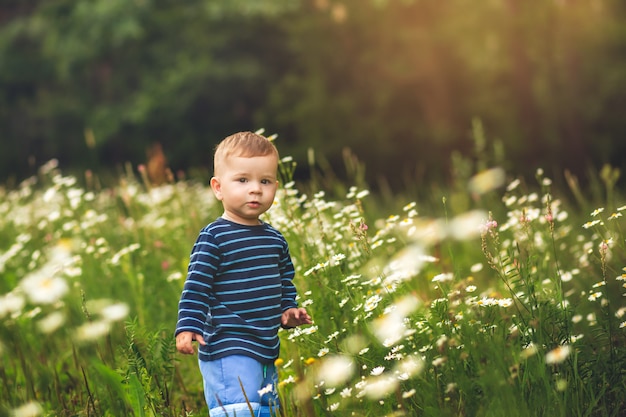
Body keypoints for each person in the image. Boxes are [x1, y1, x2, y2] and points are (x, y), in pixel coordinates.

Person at [175, 131, 312, 417]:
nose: (255, 189)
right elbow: (197, 286)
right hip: (227, 342)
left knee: (264, 409)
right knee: (238, 409)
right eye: (242, 180)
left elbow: (284, 281)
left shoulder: (275, 239)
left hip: (265, 345)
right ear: (218, 187)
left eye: (265, 181)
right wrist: (189, 324)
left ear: (275, 185)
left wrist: (288, 311)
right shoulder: (214, 237)